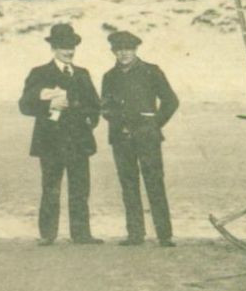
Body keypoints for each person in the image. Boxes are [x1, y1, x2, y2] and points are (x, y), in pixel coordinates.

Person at [18, 23, 102, 245]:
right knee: (51, 189)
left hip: (78, 141)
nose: (69, 51)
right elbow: (24, 106)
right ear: (53, 47)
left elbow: (95, 105)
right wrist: (48, 104)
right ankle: (47, 235)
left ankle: (81, 234)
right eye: (64, 46)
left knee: (80, 190)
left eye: (72, 46)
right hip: (50, 142)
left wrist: (89, 118)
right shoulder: (40, 73)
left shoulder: (82, 74)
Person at [100, 30, 181, 247]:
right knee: (128, 185)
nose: (124, 53)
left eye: (128, 49)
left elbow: (171, 101)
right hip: (120, 139)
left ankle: (164, 235)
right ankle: (135, 234)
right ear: (113, 52)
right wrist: (117, 121)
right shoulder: (109, 77)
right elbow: (104, 107)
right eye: (119, 50)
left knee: (154, 182)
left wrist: (153, 124)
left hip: (148, 138)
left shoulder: (151, 72)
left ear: (135, 49)